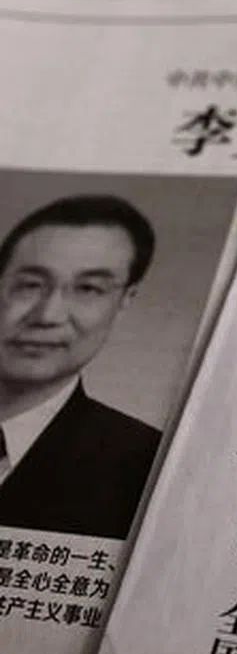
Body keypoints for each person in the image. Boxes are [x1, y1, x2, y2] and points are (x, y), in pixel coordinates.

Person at [0, 195, 161, 540]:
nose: (47, 316)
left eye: (88, 289)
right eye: (30, 285)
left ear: (125, 299)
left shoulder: (146, 464)